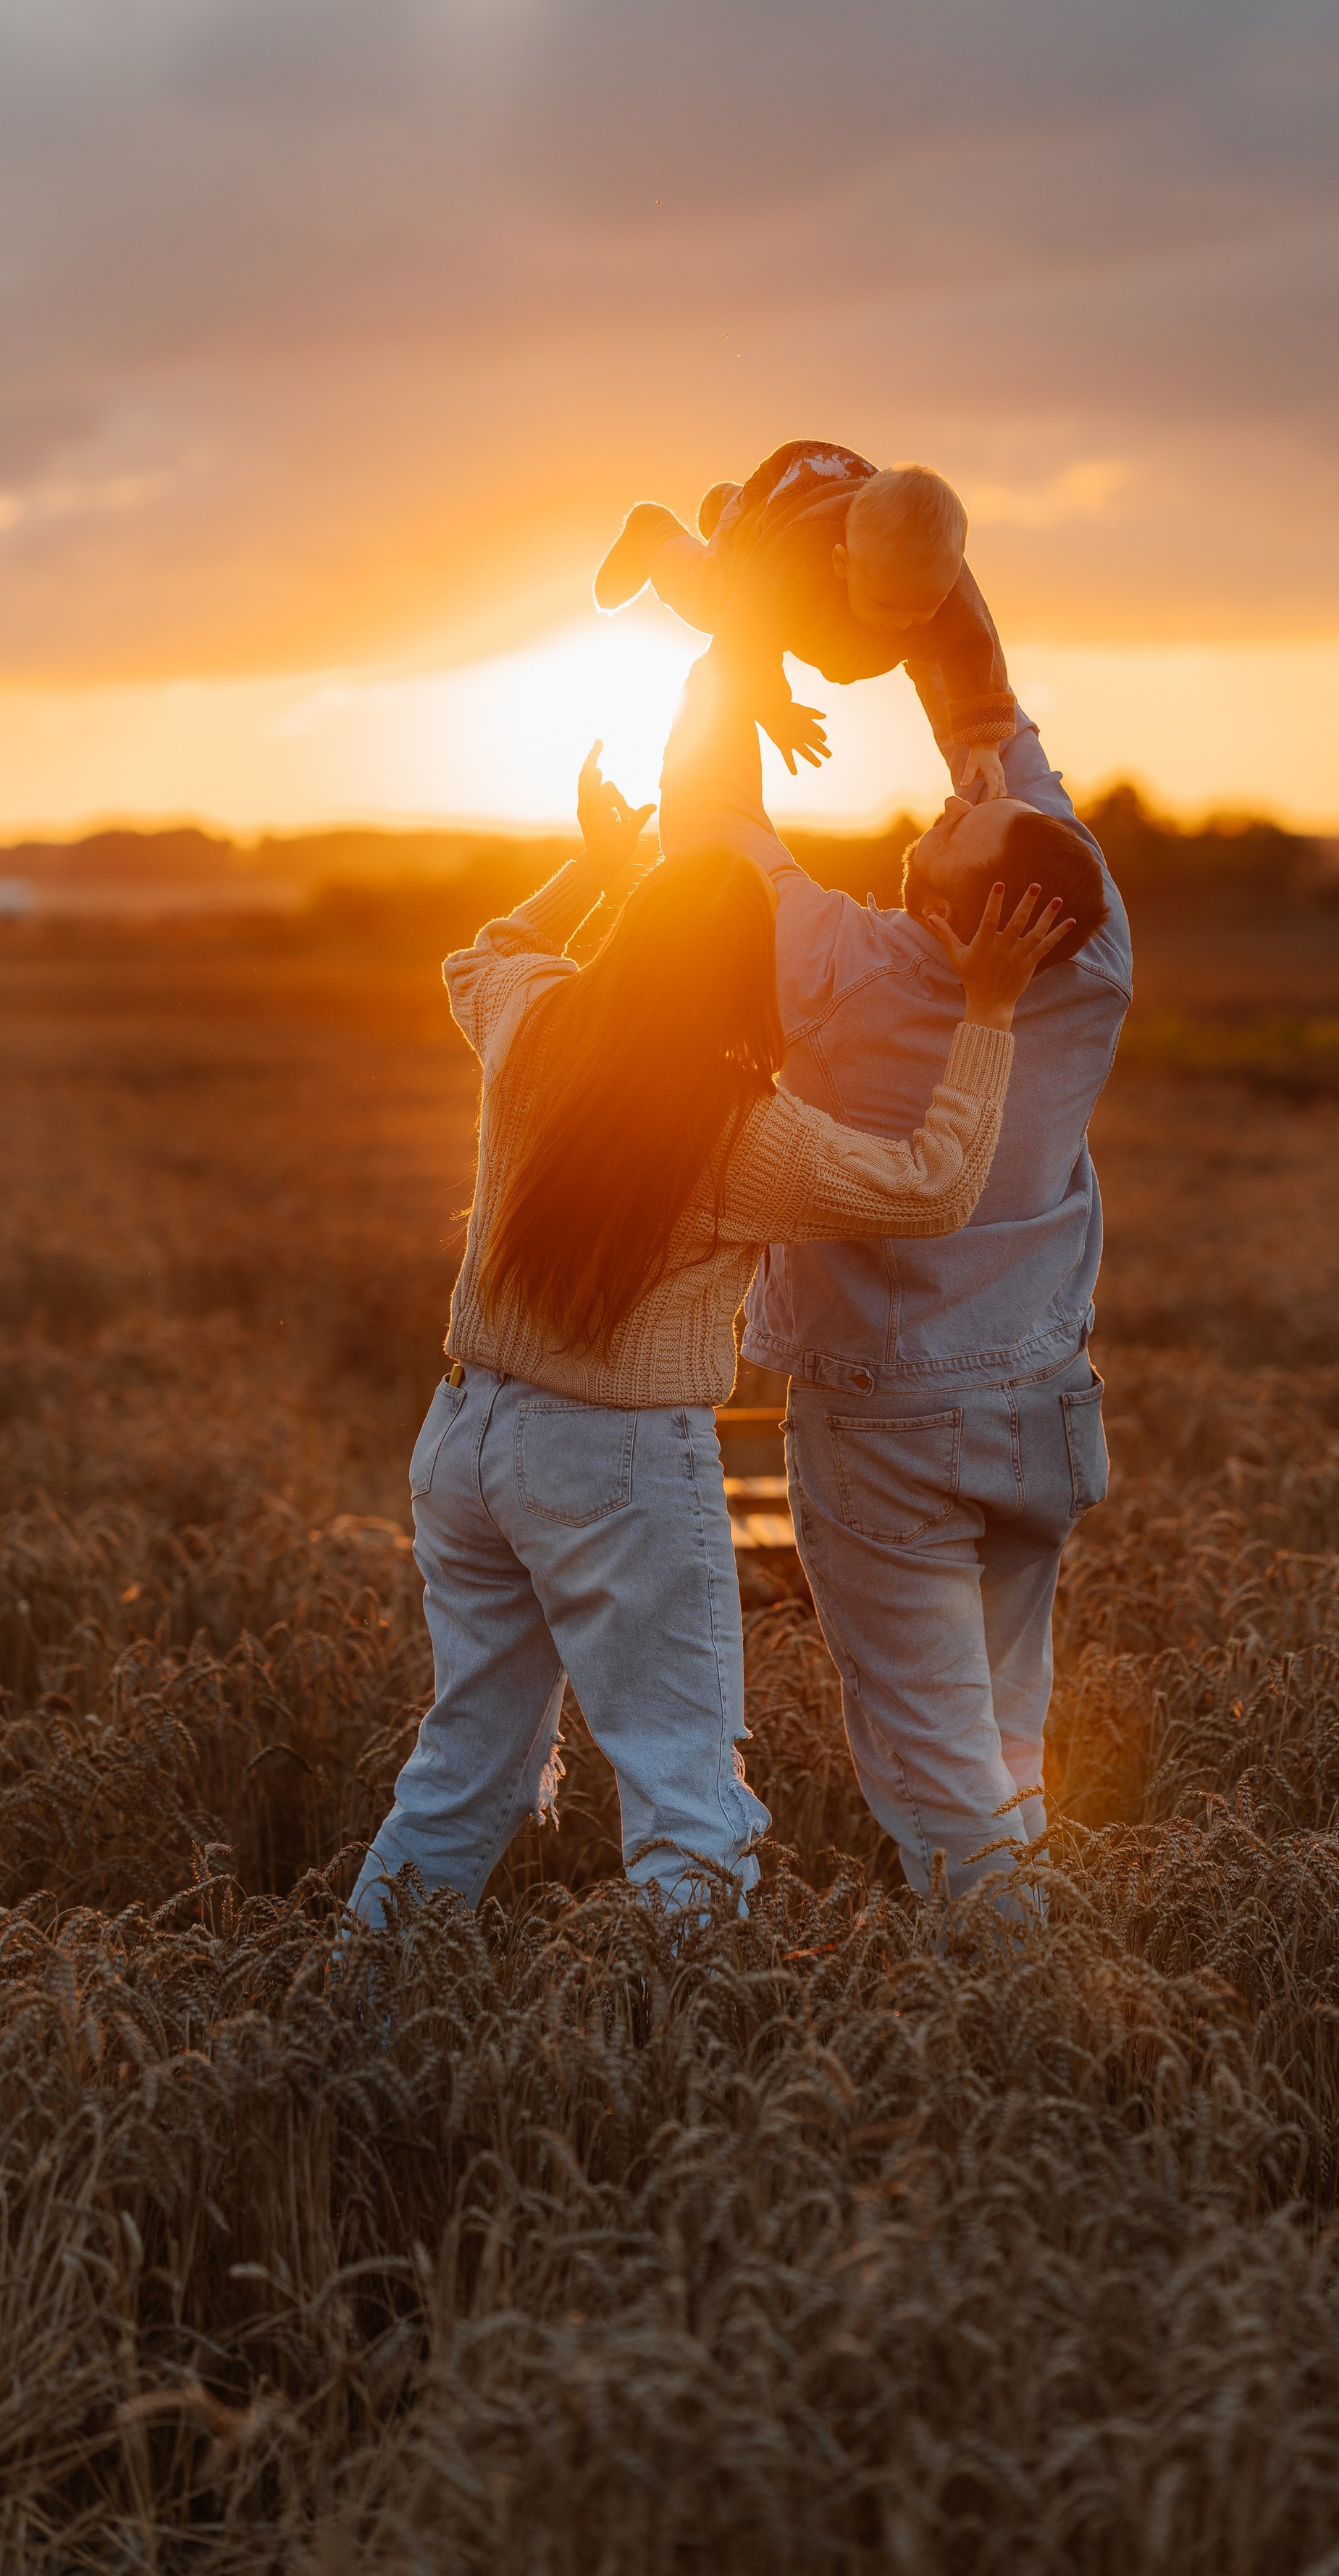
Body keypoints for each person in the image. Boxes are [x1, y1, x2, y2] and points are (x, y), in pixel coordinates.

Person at [348, 745, 1069, 1931]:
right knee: (687, 1798)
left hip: (466, 1441)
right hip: (617, 1467)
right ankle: (678, 2072)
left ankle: (352, 2028)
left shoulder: (537, 1031)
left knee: (459, 1779)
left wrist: (589, 868)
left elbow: (481, 956)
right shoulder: (740, 1128)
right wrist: (988, 1011)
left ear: (633, 937)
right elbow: (933, 1188)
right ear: (747, 978)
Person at [659, 665, 1133, 1904]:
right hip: (1043, 1403)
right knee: (1004, 1739)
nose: (940, 807)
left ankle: (1018, 2029)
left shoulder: (839, 972)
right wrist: (986, 787)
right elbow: (1011, 757)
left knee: (938, 1772)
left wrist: (735, 648)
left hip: (893, 1428)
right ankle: (1028, 1985)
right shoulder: (1096, 965)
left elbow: (707, 815)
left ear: (955, 914)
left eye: (948, 826)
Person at [593, 438, 1017, 798]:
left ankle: (728, 509)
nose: (906, 623)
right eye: (887, 605)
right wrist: (774, 709)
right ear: (842, 562)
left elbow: (976, 647)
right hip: (766, 536)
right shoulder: (792, 563)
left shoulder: (944, 582)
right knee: (712, 603)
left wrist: (982, 741)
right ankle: (655, 531)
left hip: (799, 499)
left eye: (926, 609)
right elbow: (744, 637)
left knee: (948, 629)